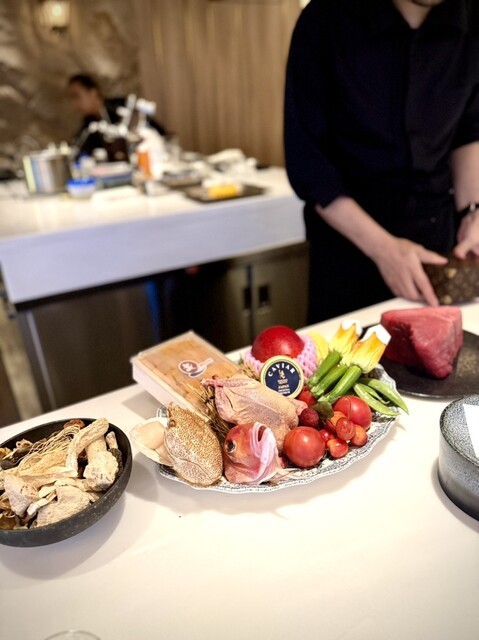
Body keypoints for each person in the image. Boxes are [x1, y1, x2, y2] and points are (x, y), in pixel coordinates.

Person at [284, 0, 479, 322]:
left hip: (436, 244)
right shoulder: (325, 20)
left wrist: (472, 212)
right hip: (350, 249)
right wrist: (384, 249)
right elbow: (309, 163)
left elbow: (469, 132)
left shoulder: (471, 19)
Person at [67, 74, 167, 160]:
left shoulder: (121, 108)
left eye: (77, 96)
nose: (75, 104)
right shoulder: (89, 123)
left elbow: (154, 132)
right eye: (71, 98)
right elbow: (80, 149)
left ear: (93, 93)